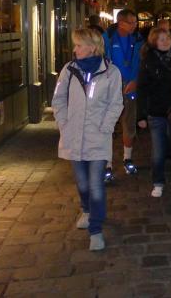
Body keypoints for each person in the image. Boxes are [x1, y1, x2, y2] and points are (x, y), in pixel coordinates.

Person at [52, 28, 123, 251]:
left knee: (96, 185)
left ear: (92, 47)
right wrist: (64, 123)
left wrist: (106, 127)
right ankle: (86, 209)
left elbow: (116, 103)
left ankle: (96, 230)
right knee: (82, 183)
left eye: (79, 45)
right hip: (74, 135)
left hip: (98, 137)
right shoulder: (69, 70)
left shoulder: (111, 72)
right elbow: (58, 99)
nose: (75, 49)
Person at [137, 27, 171, 205]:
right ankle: (158, 182)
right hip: (156, 112)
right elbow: (142, 89)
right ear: (154, 42)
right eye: (161, 39)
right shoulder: (148, 60)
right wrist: (140, 115)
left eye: (167, 38)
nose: (166, 42)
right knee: (158, 152)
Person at [102, 9, 145, 182]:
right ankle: (107, 164)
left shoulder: (138, 40)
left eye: (135, 22)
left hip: (130, 87)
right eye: (131, 22)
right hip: (110, 88)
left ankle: (127, 158)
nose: (135, 25)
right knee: (108, 126)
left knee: (129, 124)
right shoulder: (107, 38)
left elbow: (141, 63)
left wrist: (135, 80)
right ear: (121, 23)